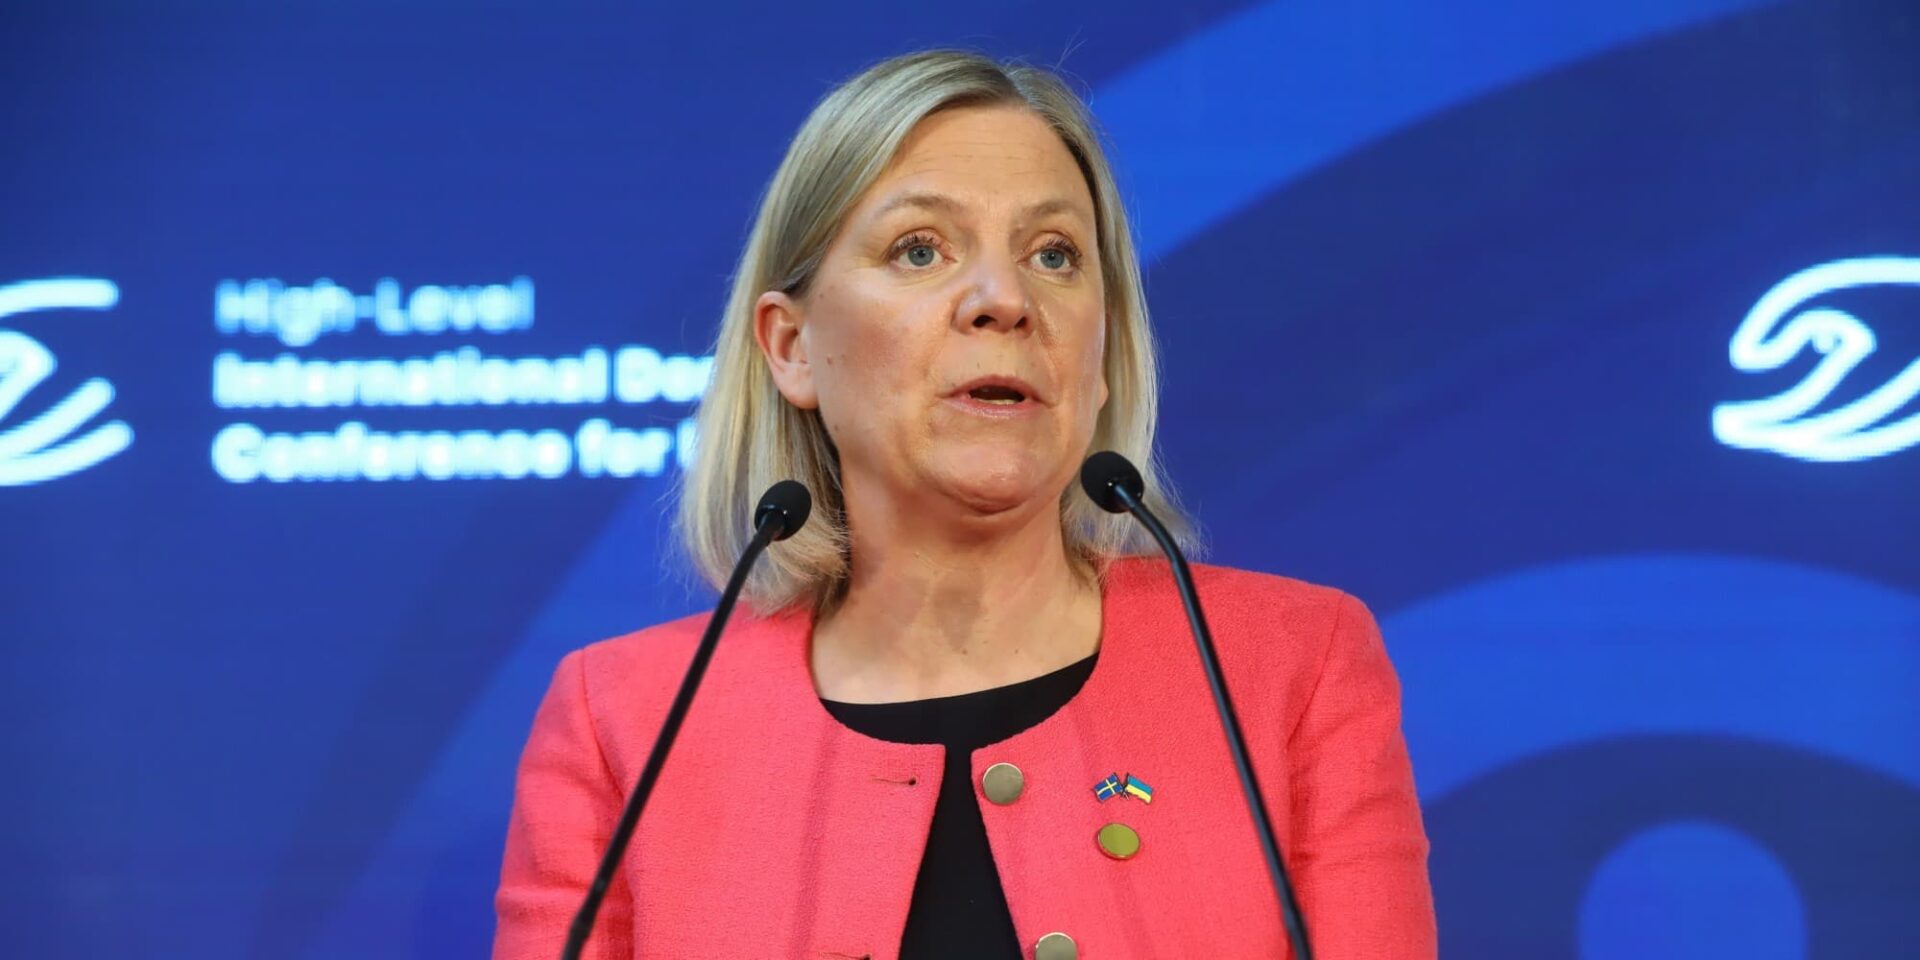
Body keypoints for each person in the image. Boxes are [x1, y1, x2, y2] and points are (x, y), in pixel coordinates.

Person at [492, 49, 1435, 960]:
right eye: (920, 249)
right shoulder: (625, 724)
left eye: (1054, 255)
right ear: (791, 347)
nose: (1004, 298)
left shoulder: (1292, 671)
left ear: (1102, 354)